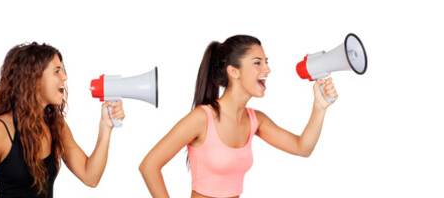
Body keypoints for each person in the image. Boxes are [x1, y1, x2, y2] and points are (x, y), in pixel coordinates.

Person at [139, 35, 338, 198]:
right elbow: (149, 166)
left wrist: (319, 107)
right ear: (233, 71)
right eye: (257, 63)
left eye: (266, 63)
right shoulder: (202, 118)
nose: (267, 69)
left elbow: (302, 148)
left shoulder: (255, 120)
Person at [0, 42, 124, 198]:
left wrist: (106, 127)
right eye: (57, 71)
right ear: (34, 78)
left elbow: (90, 177)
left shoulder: (56, 125)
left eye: (62, 71)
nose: (64, 76)